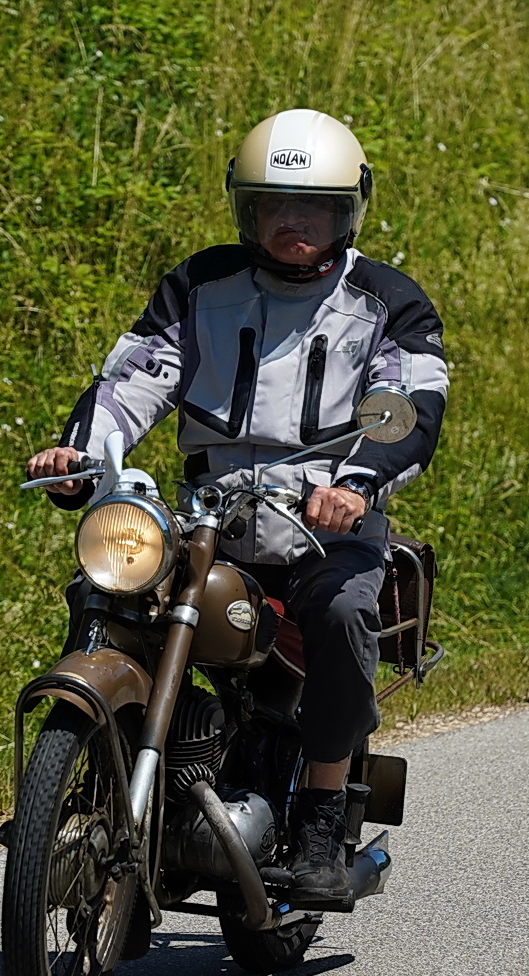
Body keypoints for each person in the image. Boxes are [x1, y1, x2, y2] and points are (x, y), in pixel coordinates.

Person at [25, 109, 448, 904]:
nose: (294, 221)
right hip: (209, 523)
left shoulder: (387, 301)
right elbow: (135, 378)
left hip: (322, 529)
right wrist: (81, 453)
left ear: (347, 210)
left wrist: (353, 486)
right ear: (245, 208)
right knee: (107, 586)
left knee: (345, 616)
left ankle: (322, 814)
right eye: (274, 204)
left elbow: (410, 405)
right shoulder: (201, 285)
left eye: (315, 207)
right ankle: (90, 782)